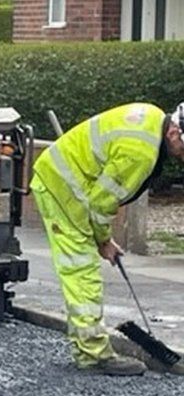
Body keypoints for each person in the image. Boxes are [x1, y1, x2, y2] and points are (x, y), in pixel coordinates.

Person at [31, 102, 184, 375]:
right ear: (174, 133)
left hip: (65, 179)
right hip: (64, 190)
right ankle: (94, 354)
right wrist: (103, 241)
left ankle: (85, 348)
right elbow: (101, 204)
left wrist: (104, 240)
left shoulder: (152, 115)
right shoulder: (140, 154)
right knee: (82, 271)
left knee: (82, 269)